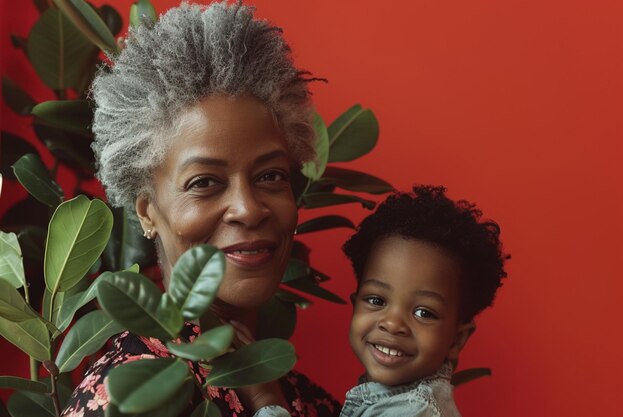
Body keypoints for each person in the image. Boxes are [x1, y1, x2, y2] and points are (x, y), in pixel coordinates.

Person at [60, 2, 339, 416]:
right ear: (147, 212)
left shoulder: (301, 396)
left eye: (270, 176)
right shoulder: (133, 399)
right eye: (204, 183)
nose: (247, 208)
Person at [248, 185, 509, 417]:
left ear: (457, 340)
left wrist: (264, 400)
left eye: (424, 313)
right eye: (376, 300)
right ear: (355, 303)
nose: (393, 323)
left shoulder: (413, 411)